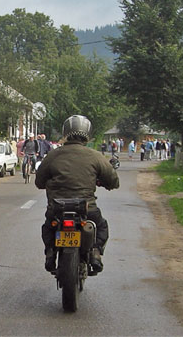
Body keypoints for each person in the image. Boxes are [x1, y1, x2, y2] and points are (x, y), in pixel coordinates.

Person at [35, 115, 119, 273]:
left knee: (48, 227)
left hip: (57, 208)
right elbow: (113, 181)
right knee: (101, 226)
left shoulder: (53, 155)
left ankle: (50, 253)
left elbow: (39, 182)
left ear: (65, 132)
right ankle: (95, 251)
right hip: (86, 208)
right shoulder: (95, 156)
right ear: (87, 133)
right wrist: (105, 183)